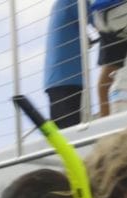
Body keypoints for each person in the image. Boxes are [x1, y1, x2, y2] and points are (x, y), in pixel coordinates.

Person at [45, 0, 84, 128]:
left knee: (63, 130)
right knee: (70, 130)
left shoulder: (60, 4)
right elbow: (98, 20)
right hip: (68, 77)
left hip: (55, 78)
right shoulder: (74, 2)